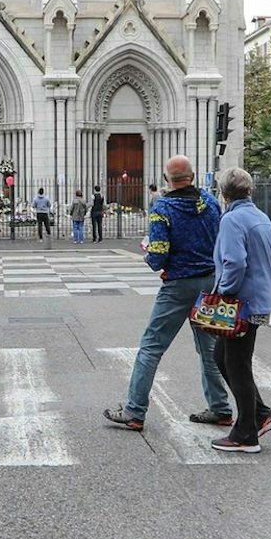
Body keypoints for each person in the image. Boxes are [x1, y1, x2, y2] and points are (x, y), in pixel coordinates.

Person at [103, 155, 235, 431]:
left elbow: (159, 257)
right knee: (209, 350)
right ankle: (221, 408)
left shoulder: (162, 207)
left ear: (167, 180)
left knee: (151, 347)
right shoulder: (210, 203)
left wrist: (149, 255)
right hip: (209, 283)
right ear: (194, 176)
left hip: (178, 285)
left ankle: (134, 410)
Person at [209, 169, 271, 453]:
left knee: (237, 366)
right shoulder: (261, 217)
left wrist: (224, 291)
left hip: (241, 303)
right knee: (223, 357)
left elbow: (235, 262)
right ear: (249, 190)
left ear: (223, 195)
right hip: (259, 299)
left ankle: (247, 433)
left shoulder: (232, 219)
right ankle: (260, 414)